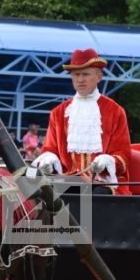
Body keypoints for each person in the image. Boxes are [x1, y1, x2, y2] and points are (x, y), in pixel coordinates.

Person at [31, 48, 133, 194]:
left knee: (93, 196)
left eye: (85, 74)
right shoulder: (58, 113)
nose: (80, 80)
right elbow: (50, 149)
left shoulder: (115, 111)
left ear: (99, 76)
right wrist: (49, 158)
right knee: (29, 185)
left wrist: (108, 161)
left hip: (103, 183)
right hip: (67, 179)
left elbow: (124, 155)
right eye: (76, 74)